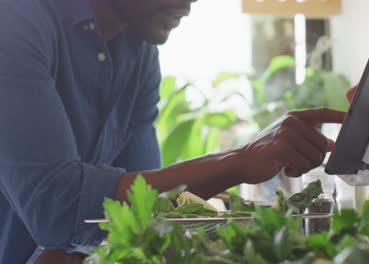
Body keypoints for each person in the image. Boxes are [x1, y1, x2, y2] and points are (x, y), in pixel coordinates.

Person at [0, 0, 347, 263]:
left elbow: (136, 218)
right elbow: (58, 208)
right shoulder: (14, 23)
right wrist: (236, 162)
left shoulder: (139, 53)